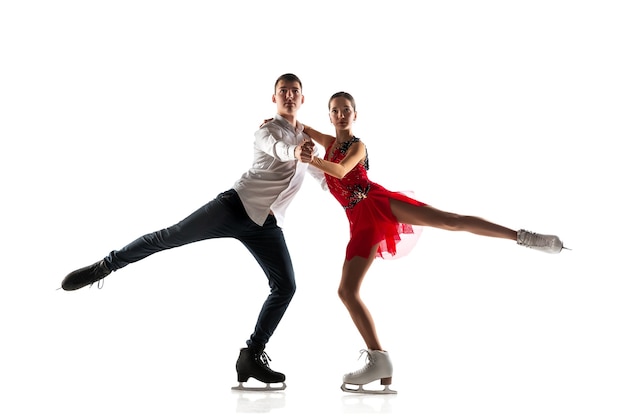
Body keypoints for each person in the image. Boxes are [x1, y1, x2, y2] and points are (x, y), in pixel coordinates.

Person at [60, 73, 327, 391]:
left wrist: (354, 194)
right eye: (283, 90)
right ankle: (106, 265)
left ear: (303, 99)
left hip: (265, 225)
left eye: (295, 91)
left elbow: (323, 177)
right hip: (234, 206)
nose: (289, 95)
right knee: (167, 237)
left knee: (285, 287)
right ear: (274, 98)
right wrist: (296, 153)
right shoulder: (268, 130)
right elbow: (278, 148)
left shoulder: (306, 142)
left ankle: (251, 355)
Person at [301, 91, 566, 394]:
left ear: (355, 115)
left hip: (378, 203)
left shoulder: (357, 146)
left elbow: (340, 170)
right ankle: (379, 359)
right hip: (358, 221)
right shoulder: (329, 142)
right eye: (335, 111)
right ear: (330, 116)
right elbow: (303, 128)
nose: (341, 115)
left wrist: (312, 159)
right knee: (346, 291)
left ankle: (523, 237)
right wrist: (285, 123)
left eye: (347, 110)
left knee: (449, 220)